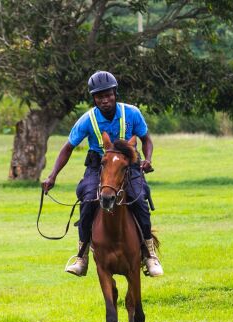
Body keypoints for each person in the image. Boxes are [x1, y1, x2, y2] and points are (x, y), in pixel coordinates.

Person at [41, 71, 163, 278]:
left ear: (115, 93)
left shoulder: (132, 113)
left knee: (139, 199)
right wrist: (52, 175)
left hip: (128, 166)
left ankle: (149, 254)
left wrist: (147, 159)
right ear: (94, 98)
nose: (104, 100)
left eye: (108, 95)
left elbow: (146, 139)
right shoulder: (87, 120)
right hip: (98, 167)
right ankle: (82, 256)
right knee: (88, 200)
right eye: (99, 97)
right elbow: (67, 148)